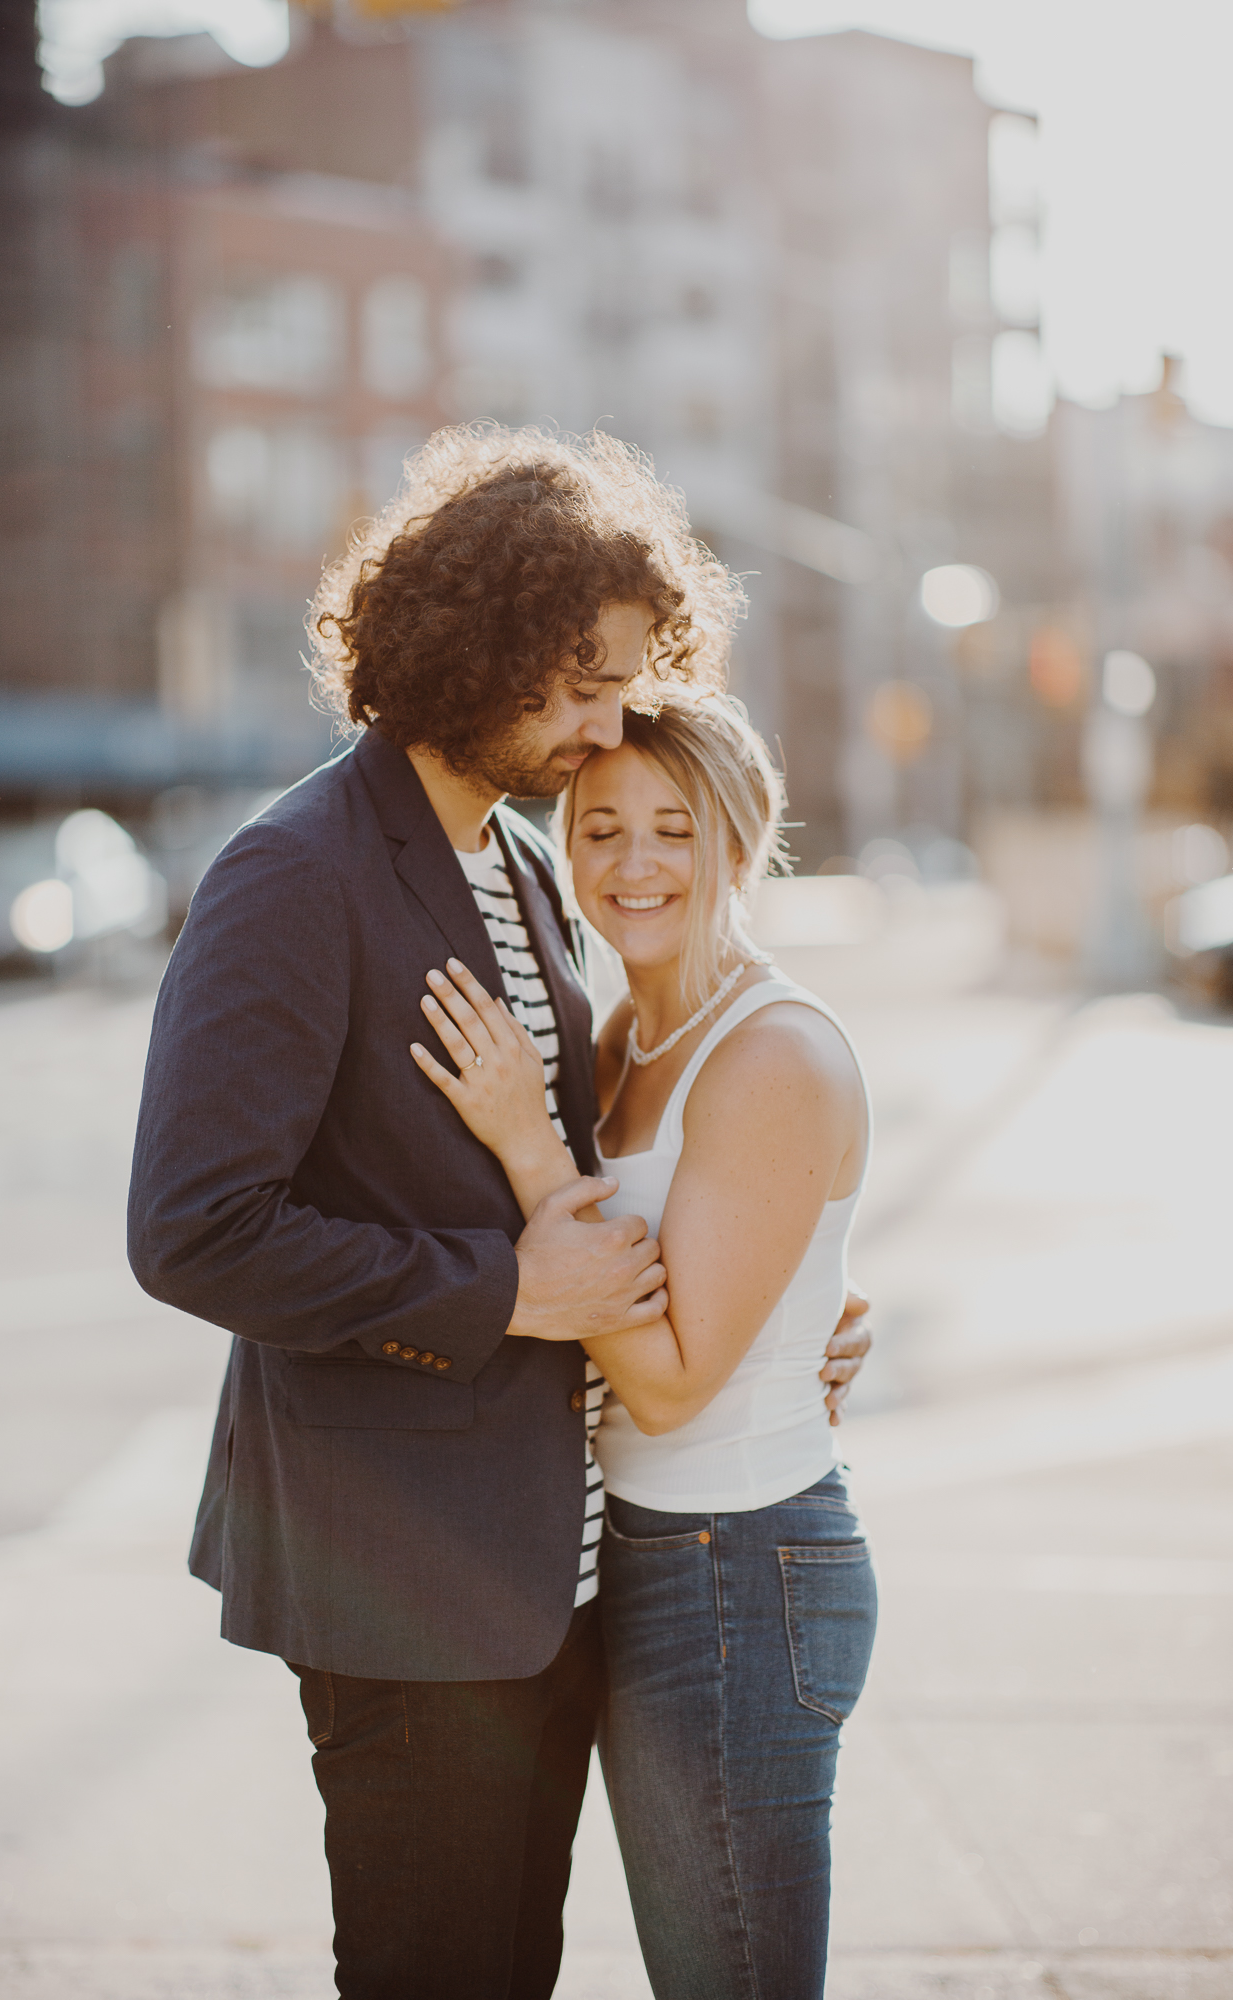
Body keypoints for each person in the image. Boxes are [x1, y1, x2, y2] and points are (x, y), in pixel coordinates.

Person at [127, 425, 872, 2000]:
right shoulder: (295, 871)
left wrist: (775, 1316)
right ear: (481, 648)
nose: (613, 720)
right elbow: (193, 1227)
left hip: (556, 1580)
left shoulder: (523, 868)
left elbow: (595, 1180)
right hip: (399, 1588)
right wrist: (505, 1294)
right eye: (587, 677)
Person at [413, 691, 877, 2000]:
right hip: (647, 1552)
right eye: (600, 828)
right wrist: (828, 1303)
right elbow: (734, 1253)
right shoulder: (622, 1039)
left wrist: (522, 1141)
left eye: (672, 829)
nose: (630, 865)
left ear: (739, 842)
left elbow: (669, 1385)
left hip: (738, 1562)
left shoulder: (769, 1052)